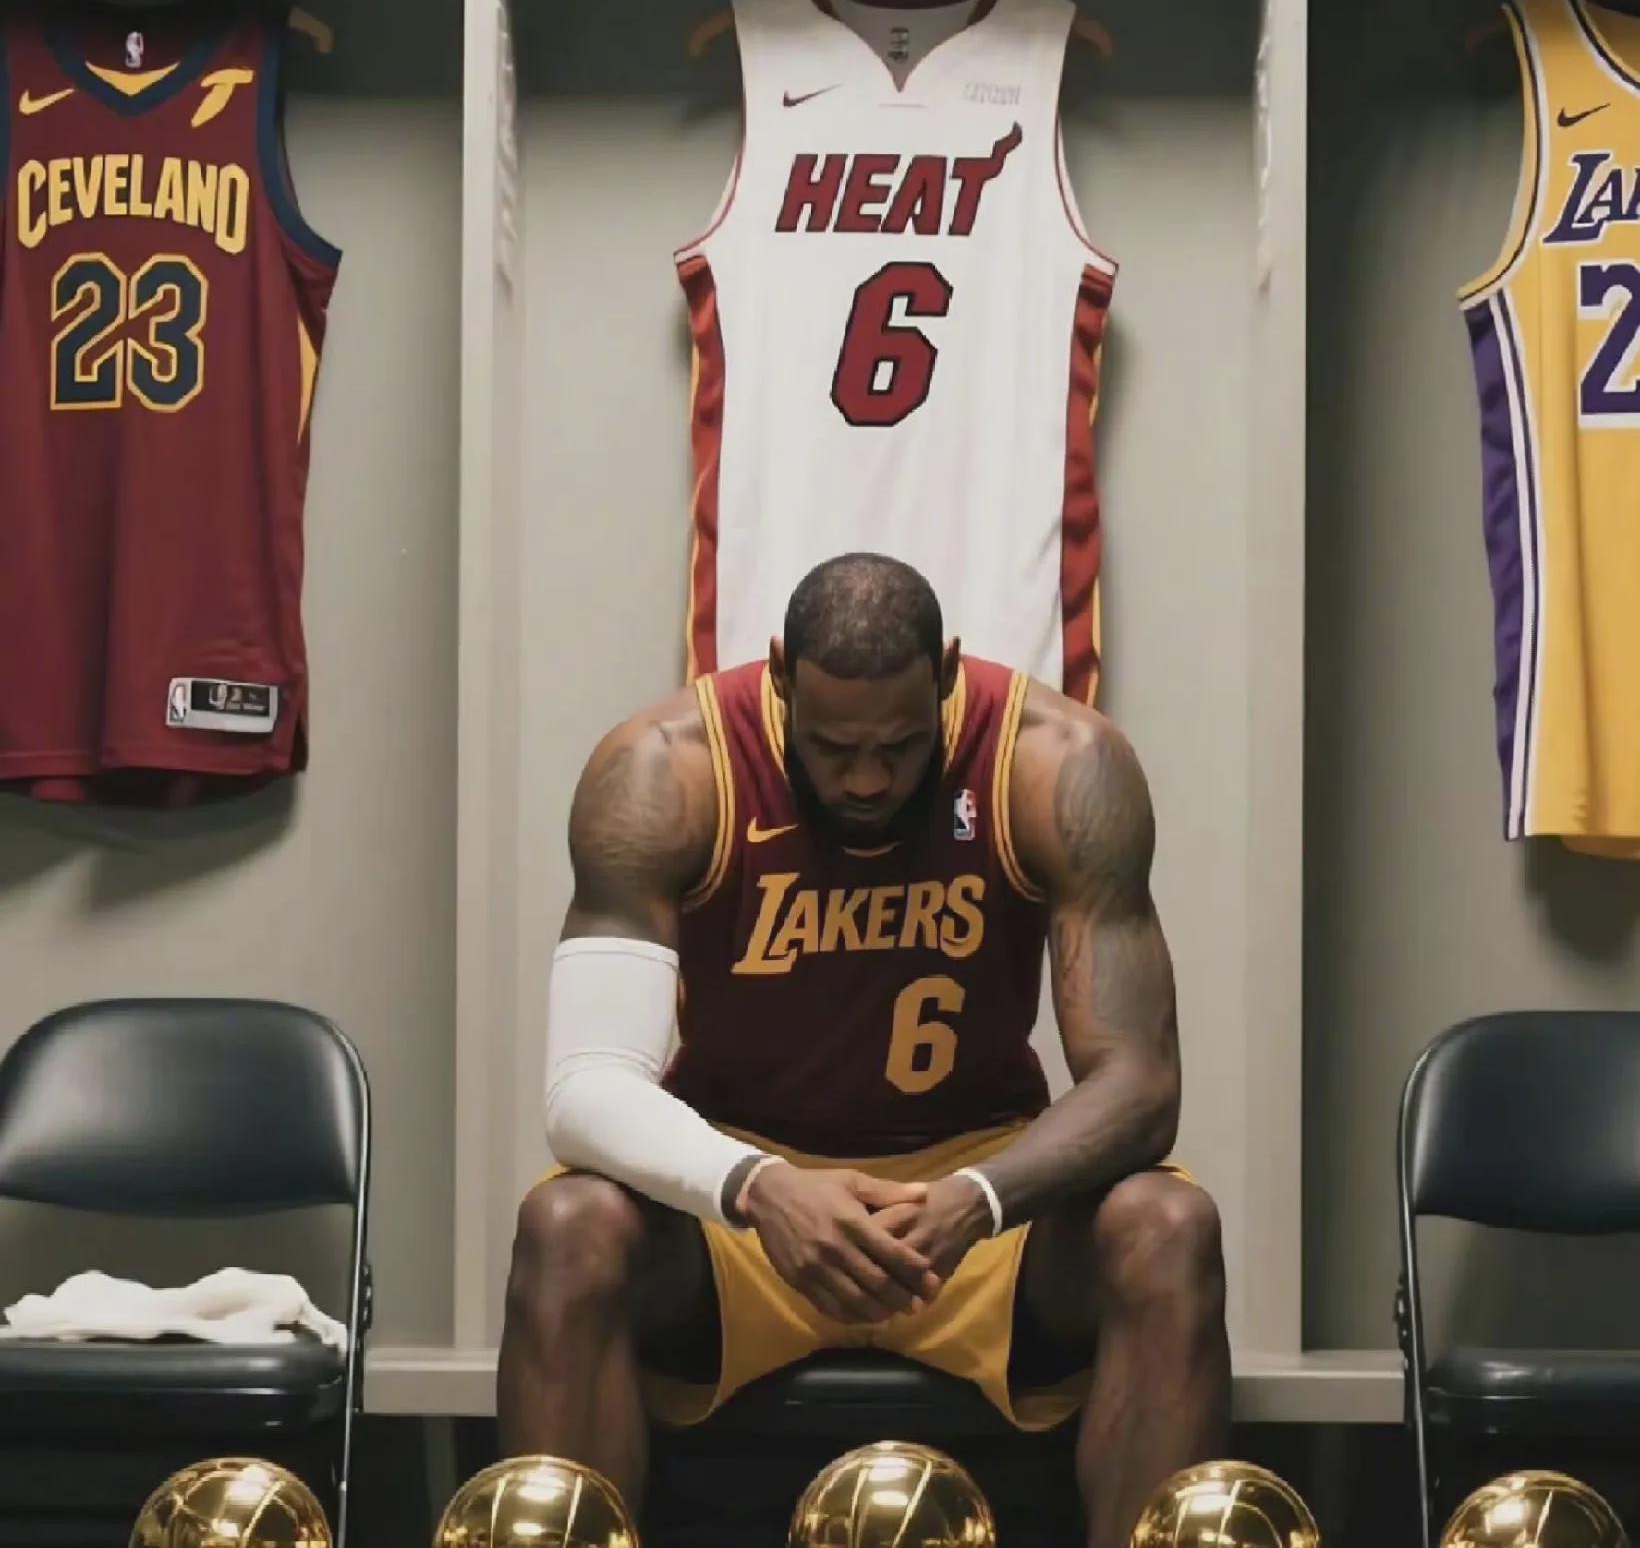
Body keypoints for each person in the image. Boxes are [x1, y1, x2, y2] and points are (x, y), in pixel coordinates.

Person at [498, 554, 1228, 1548]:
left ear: (947, 675)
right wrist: (758, 1186)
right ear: (781, 680)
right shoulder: (666, 771)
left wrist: (977, 1197)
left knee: (1169, 1227)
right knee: (566, 1227)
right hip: (747, 1213)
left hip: (973, 1204)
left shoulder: (1057, 762)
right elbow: (584, 1088)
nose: (869, 778)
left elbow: (1140, 1083)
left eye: (902, 743)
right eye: (835, 747)